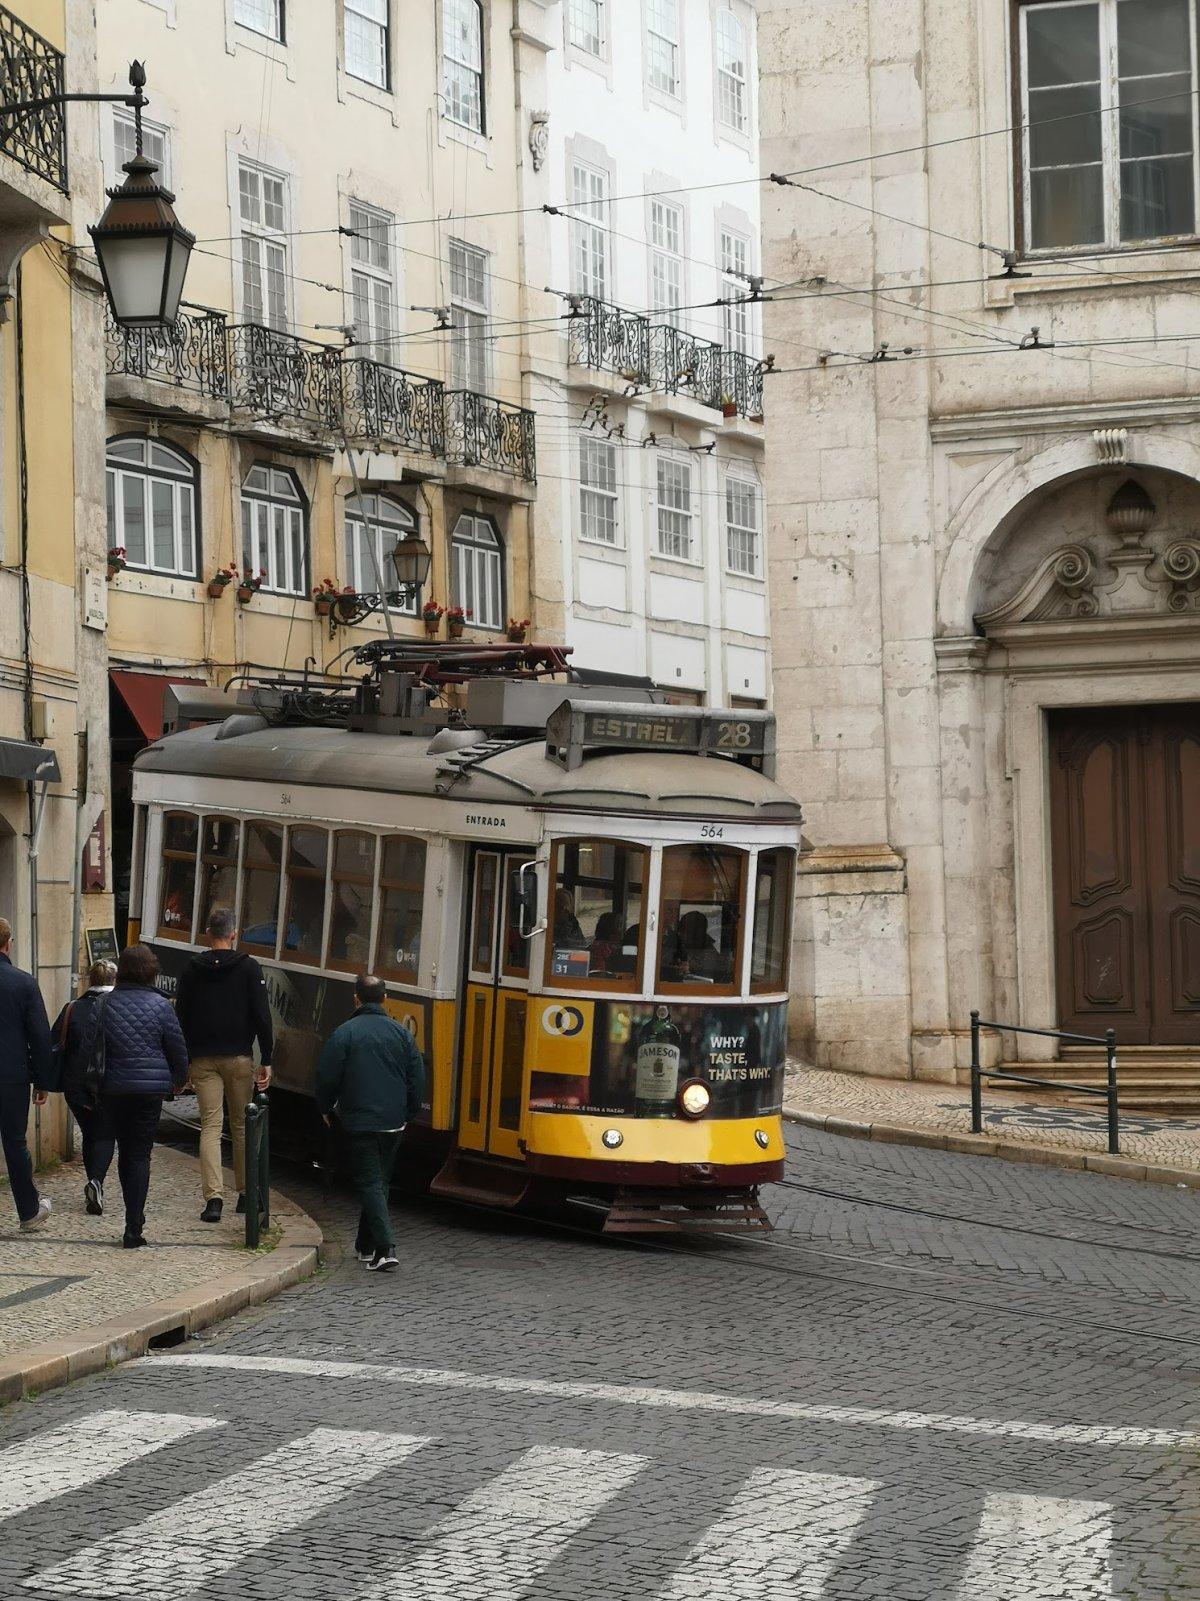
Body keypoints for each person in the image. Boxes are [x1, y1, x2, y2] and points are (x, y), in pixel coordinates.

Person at [80, 943, 189, 1248]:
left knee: (124, 1151)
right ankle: (134, 1227)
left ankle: (132, 1222)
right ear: (152, 972)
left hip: (114, 1089)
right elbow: (178, 1050)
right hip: (149, 1092)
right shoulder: (162, 1007)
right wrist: (178, 1081)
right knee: (139, 1155)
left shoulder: (102, 1005)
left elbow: (90, 1048)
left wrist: (91, 1087)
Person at [315, 973, 425, 1272]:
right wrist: (408, 1112)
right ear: (385, 998)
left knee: (369, 1182)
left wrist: (325, 1107)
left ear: (356, 998)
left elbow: (327, 1076)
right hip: (393, 1121)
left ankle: (385, 1248)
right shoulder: (402, 1035)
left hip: (360, 1120)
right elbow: (417, 1077)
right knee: (378, 1182)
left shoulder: (345, 1033)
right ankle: (365, 1247)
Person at [174, 906, 273, 1224]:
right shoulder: (249, 968)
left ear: (208, 934)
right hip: (238, 1057)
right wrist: (267, 1059)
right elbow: (262, 1015)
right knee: (242, 1126)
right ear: (233, 934)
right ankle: (246, 1194)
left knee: (211, 1127)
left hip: (203, 1059)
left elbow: (182, 1017)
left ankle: (213, 1199)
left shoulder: (191, 969)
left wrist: (185, 1058)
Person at [52, 959, 117, 1216]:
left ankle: (93, 1184)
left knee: (91, 1133)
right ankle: (96, 1182)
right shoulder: (117, 1007)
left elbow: (55, 1040)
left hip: (76, 1087)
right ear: (114, 980)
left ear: (90, 981)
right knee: (105, 1135)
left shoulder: (72, 1008)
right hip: (106, 1084)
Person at [0, 916, 53, 1230]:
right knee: (15, 1143)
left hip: (12, 1074)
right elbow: (40, 1036)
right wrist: (42, 1080)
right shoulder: (23, 983)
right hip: (12, 1076)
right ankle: (29, 1211)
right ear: (8, 944)